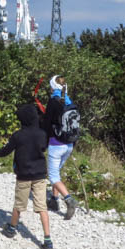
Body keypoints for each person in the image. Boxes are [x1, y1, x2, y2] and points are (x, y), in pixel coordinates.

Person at [0, 103, 53, 249]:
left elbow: (5, 151)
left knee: (19, 204)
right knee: (42, 206)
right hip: (40, 175)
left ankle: (11, 228)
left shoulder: (18, 135)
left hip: (23, 175)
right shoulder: (42, 134)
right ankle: (47, 239)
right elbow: (43, 148)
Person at [42, 75, 79, 219]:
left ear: (53, 86)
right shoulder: (68, 101)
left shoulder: (53, 101)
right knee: (56, 171)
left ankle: (69, 200)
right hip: (69, 144)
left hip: (56, 144)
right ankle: (54, 200)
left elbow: (46, 124)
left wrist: (43, 143)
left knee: (52, 176)